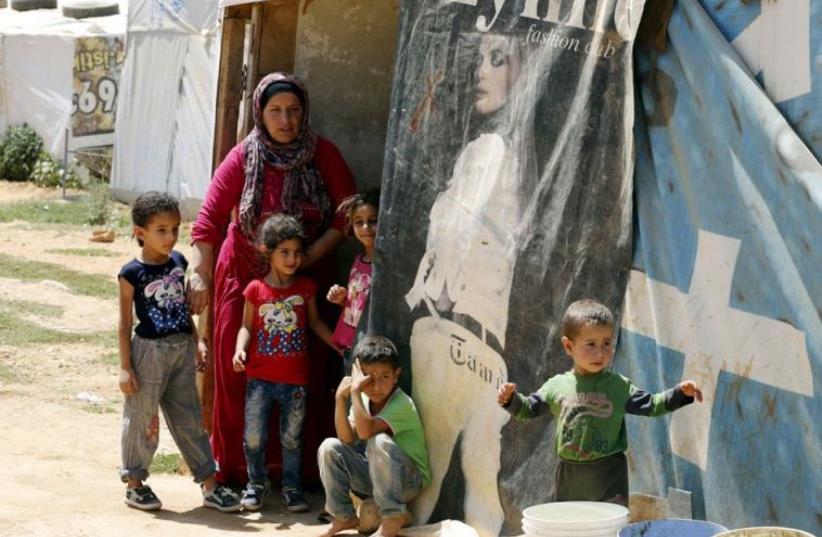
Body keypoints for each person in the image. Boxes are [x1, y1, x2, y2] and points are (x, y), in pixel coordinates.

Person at [189, 72, 356, 485]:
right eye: (276, 111)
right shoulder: (244, 156)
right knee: (237, 366)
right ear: (260, 113)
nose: (286, 120)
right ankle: (237, 469)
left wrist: (303, 260)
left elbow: (346, 213)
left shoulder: (323, 155)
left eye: (294, 111)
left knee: (304, 371)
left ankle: (294, 474)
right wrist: (198, 271)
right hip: (244, 277)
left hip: (305, 279)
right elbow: (208, 222)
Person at [403, 31, 534, 533]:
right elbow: (451, 235)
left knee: (472, 467)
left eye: (497, 61)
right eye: (478, 60)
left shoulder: (501, 151)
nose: (481, 72)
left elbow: (465, 234)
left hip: (474, 332)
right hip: (452, 328)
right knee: (441, 464)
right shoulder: (482, 150)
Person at [497, 299, 704, 504]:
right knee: (571, 525)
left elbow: (652, 405)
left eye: (607, 343)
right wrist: (511, 400)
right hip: (571, 475)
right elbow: (526, 410)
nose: (600, 352)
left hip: (610, 474)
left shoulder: (618, 387)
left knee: (610, 526)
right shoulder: (556, 387)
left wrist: (680, 394)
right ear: (568, 346)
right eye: (591, 344)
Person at [117, 191, 240, 512]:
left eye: (175, 229)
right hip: (148, 353)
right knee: (142, 418)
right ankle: (135, 483)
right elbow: (123, 322)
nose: (170, 237)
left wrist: (197, 340)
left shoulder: (178, 262)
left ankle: (209, 484)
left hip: (181, 350)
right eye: (161, 230)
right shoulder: (130, 273)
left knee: (190, 418)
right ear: (139, 233)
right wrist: (125, 367)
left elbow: (185, 308)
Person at [232, 214, 339, 512]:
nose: (292, 259)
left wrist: (339, 345)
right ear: (267, 251)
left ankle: (292, 487)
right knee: (254, 436)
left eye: (296, 252)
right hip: (259, 380)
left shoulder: (305, 288)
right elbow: (246, 327)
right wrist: (239, 350)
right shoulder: (255, 289)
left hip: (295, 381)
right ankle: (256, 484)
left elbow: (316, 323)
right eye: (284, 252)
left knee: (291, 439)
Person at [318, 336, 430, 537]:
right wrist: (339, 399)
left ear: (396, 376)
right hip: (379, 481)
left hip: (409, 481)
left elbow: (365, 432)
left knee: (378, 441)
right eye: (369, 378)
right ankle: (344, 517)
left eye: (384, 377)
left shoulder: (401, 404)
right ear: (358, 375)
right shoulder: (362, 399)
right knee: (329, 447)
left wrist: (354, 392)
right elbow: (346, 438)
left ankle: (392, 518)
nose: (376, 386)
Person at [327, 188, 380, 373]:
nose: (366, 228)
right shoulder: (359, 261)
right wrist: (343, 298)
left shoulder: (387, 267)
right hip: (351, 345)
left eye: (373, 221)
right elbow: (357, 303)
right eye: (359, 222)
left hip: (373, 350)